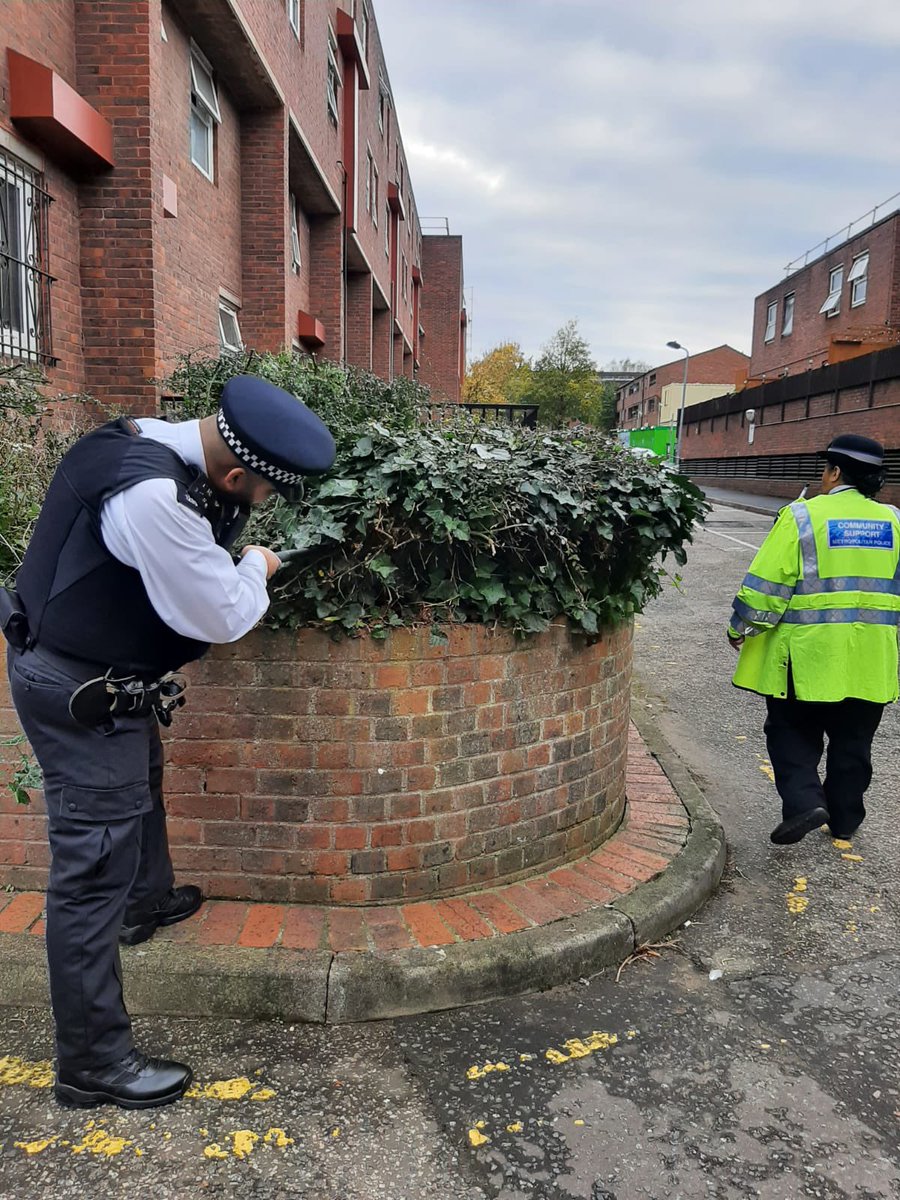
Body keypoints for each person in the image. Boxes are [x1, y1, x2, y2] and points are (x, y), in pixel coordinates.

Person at [2, 375, 335, 1109]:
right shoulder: (157, 499)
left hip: (99, 676)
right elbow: (219, 613)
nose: (261, 508)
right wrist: (259, 564)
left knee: (137, 790)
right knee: (90, 873)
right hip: (82, 692)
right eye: (264, 494)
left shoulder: (147, 438)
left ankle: (144, 903)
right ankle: (92, 1065)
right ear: (239, 475)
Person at [726, 434, 900, 846]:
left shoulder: (801, 517)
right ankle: (844, 818)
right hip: (870, 660)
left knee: (790, 731)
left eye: (825, 469)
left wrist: (741, 628)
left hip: (805, 659)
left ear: (835, 472)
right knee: (854, 741)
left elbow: (767, 586)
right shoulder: (895, 522)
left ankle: (805, 802)